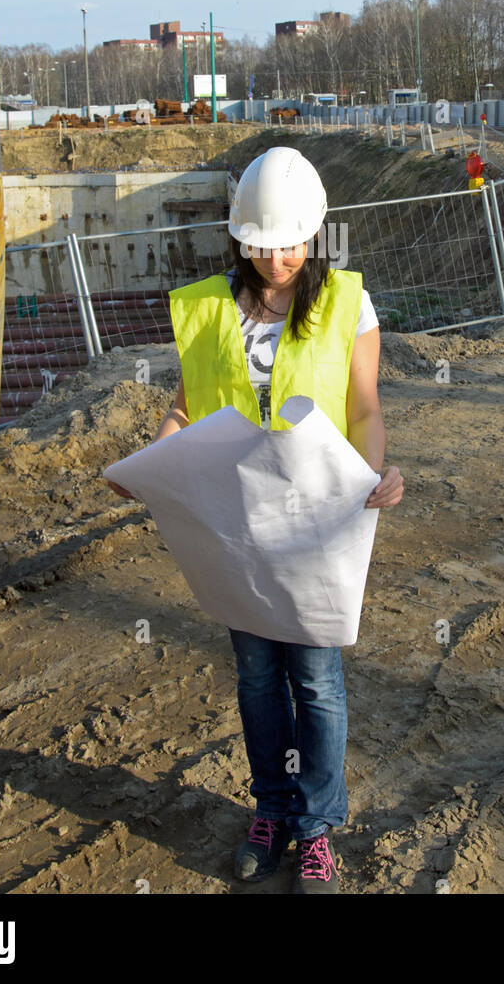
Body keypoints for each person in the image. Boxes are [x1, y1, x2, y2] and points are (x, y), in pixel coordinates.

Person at [106, 146, 403, 893]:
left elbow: (364, 408)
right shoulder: (207, 306)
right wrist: (153, 464)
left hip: (315, 516)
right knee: (255, 679)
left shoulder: (346, 303)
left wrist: (373, 478)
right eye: (264, 245)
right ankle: (269, 810)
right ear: (239, 238)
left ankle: (314, 826)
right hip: (235, 519)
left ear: (312, 234)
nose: (278, 260)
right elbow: (185, 406)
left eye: (292, 244)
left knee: (316, 678)